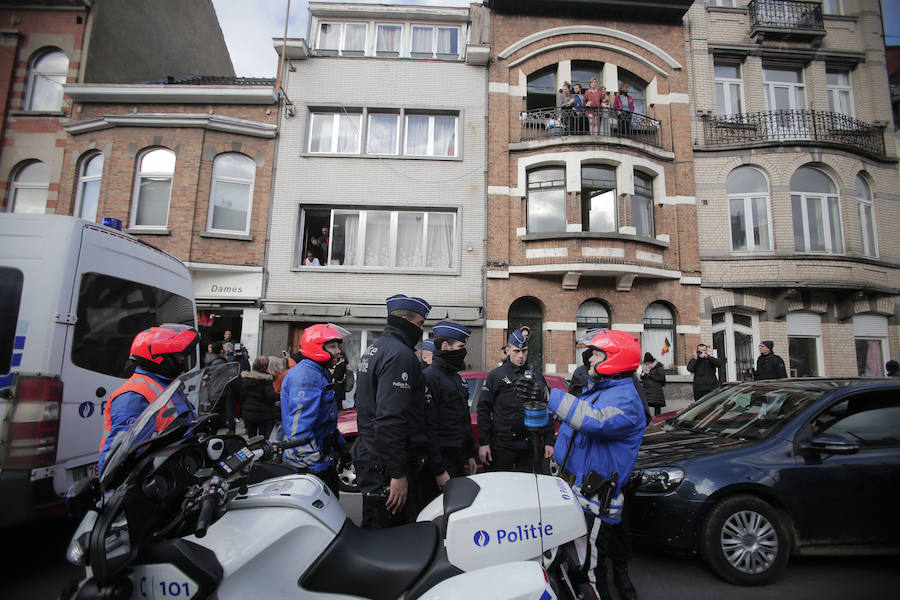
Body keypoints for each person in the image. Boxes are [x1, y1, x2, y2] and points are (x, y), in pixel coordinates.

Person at [532, 329, 645, 600]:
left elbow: (594, 421)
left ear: (615, 359)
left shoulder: (627, 400)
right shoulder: (601, 391)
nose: (589, 358)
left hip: (595, 501)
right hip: (576, 494)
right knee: (571, 566)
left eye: (596, 353)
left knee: (587, 573)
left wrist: (551, 397)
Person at [352, 294, 449, 529]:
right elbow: (389, 418)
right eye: (419, 324)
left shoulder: (374, 349)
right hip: (385, 465)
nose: (420, 330)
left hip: (374, 454)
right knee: (388, 537)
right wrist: (398, 473)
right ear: (405, 320)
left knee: (378, 531)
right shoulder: (400, 355)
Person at [98, 324, 200, 474]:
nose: (182, 358)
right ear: (159, 358)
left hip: (175, 472)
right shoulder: (133, 396)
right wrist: (112, 492)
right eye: (177, 354)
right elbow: (118, 457)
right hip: (151, 480)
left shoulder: (167, 386)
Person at [280, 323, 351, 496]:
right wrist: (317, 467)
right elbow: (299, 432)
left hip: (319, 458)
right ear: (317, 347)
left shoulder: (319, 372)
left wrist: (341, 445)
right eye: (333, 346)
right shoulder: (307, 377)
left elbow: (325, 420)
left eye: (338, 346)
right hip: (306, 467)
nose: (338, 351)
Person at [477, 329, 554, 473]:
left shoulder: (537, 375)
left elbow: (546, 409)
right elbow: (483, 409)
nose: (521, 356)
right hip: (502, 444)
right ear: (508, 350)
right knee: (499, 487)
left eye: (524, 351)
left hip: (530, 443)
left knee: (529, 488)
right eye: (516, 351)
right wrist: (483, 442)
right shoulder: (496, 375)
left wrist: (549, 441)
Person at [421, 321, 477, 504]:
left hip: (458, 459)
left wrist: (470, 454)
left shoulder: (457, 378)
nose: (463, 351)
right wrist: (439, 470)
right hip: (441, 463)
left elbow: (463, 419)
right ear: (445, 346)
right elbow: (428, 427)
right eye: (460, 346)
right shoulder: (430, 377)